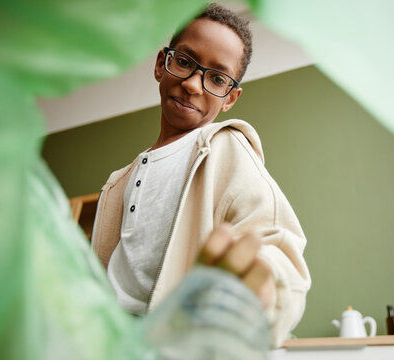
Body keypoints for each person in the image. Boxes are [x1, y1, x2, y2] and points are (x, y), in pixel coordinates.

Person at [91, 3, 310, 346]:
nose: (194, 84)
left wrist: (264, 288)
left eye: (217, 78)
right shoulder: (119, 181)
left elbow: (279, 250)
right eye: (184, 61)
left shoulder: (229, 150)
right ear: (161, 64)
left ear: (230, 99)